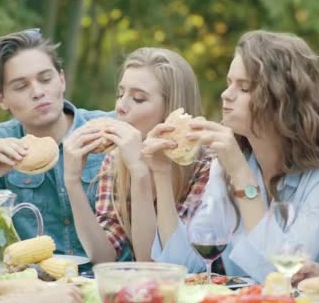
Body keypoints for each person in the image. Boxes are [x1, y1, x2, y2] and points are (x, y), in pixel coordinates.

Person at [146, 30, 319, 282]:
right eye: (229, 83)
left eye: (243, 88)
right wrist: (161, 173)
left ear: (283, 99)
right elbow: (183, 265)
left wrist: (241, 175)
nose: (226, 94)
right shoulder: (227, 167)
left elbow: (281, 275)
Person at [0, 29, 112, 258]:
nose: (38, 92)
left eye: (45, 79)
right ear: (0, 98)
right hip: (33, 280)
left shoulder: (107, 129)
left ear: (61, 80)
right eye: (21, 86)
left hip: (108, 275)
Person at [63, 47, 211, 263]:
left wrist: (140, 172)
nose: (120, 107)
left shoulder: (205, 165)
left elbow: (150, 263)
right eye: (120, 94)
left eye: (138, 98)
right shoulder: (115, 159)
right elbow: (103, 258)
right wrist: (72, 181)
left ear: (171, 110)